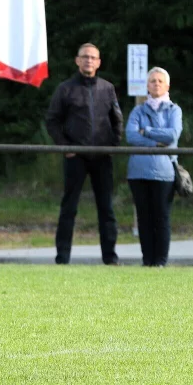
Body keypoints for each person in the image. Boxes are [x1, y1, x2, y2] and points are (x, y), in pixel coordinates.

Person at [45, 43, 123, 265]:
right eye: (85, 57)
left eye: (93, 57)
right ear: (77, 60)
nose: (89, 60)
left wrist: (113, 145)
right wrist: (65, 147)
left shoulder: (107, 88)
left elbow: (117, 119)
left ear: (98, 62)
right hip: (75, 156)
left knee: (106, 208)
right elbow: (52, 121)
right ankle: (62, 258)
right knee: (69, 208)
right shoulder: (65, 89)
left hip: (102, 157)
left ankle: (110, 258)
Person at [125, 67, 182, 266]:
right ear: (147, 86)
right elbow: (131, 136)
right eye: (152, 81)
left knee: (161, 217)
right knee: (144, 218)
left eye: (160, 81)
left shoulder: (174, 110)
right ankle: (147, 260)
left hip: (164, 173)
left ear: (167, 86)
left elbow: (172, 135)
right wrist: (156, 142)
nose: (156, 84)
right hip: (138, 172)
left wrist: (146, 130)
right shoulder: (138, 110)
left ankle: (160, 261)